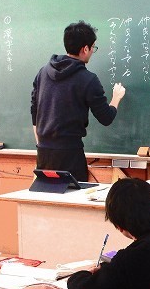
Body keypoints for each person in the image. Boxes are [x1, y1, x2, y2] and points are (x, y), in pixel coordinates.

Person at [31, 20, 126, 182]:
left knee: (48, 196)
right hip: (70, 155)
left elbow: (34, 112)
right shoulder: (88, 79)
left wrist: (42, 144)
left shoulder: (43, 73)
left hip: (44, 154)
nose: (92, 51)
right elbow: (106, 117)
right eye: (93, 47)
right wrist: (116, 97)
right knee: (74, 196)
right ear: (85, 49)